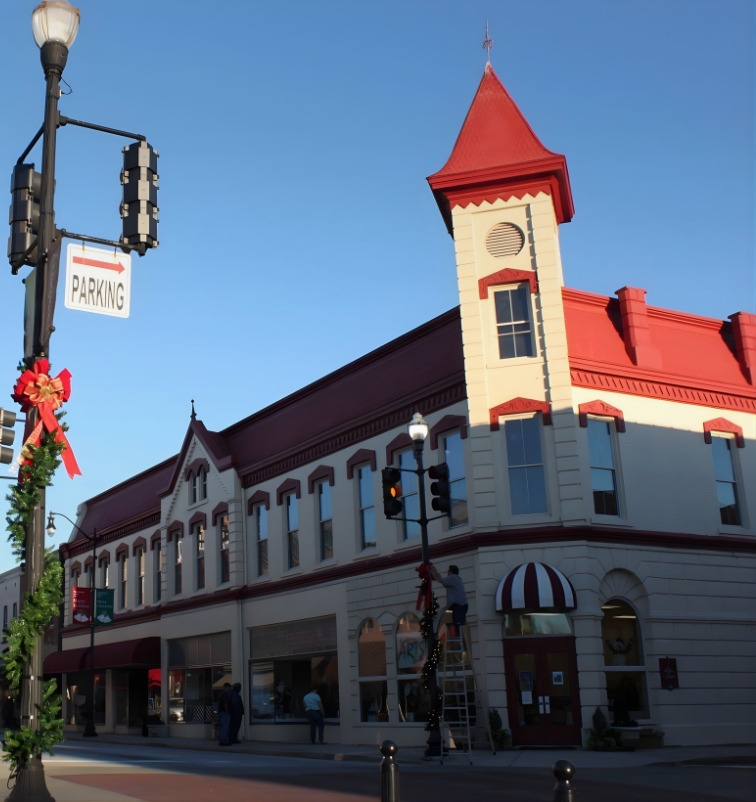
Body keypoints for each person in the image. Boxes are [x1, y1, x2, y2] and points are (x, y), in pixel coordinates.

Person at [431, 563, 468, 633]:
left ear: (451, 571)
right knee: (459, 625)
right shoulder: (457, 579)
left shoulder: (452, 577)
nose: (447, 573)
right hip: (462, 605)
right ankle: (461, 639)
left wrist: (434, 572)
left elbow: (441, 580)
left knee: (457, 625)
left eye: (448, 571)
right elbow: (444, 582)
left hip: (459, 606)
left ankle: (458, 639)